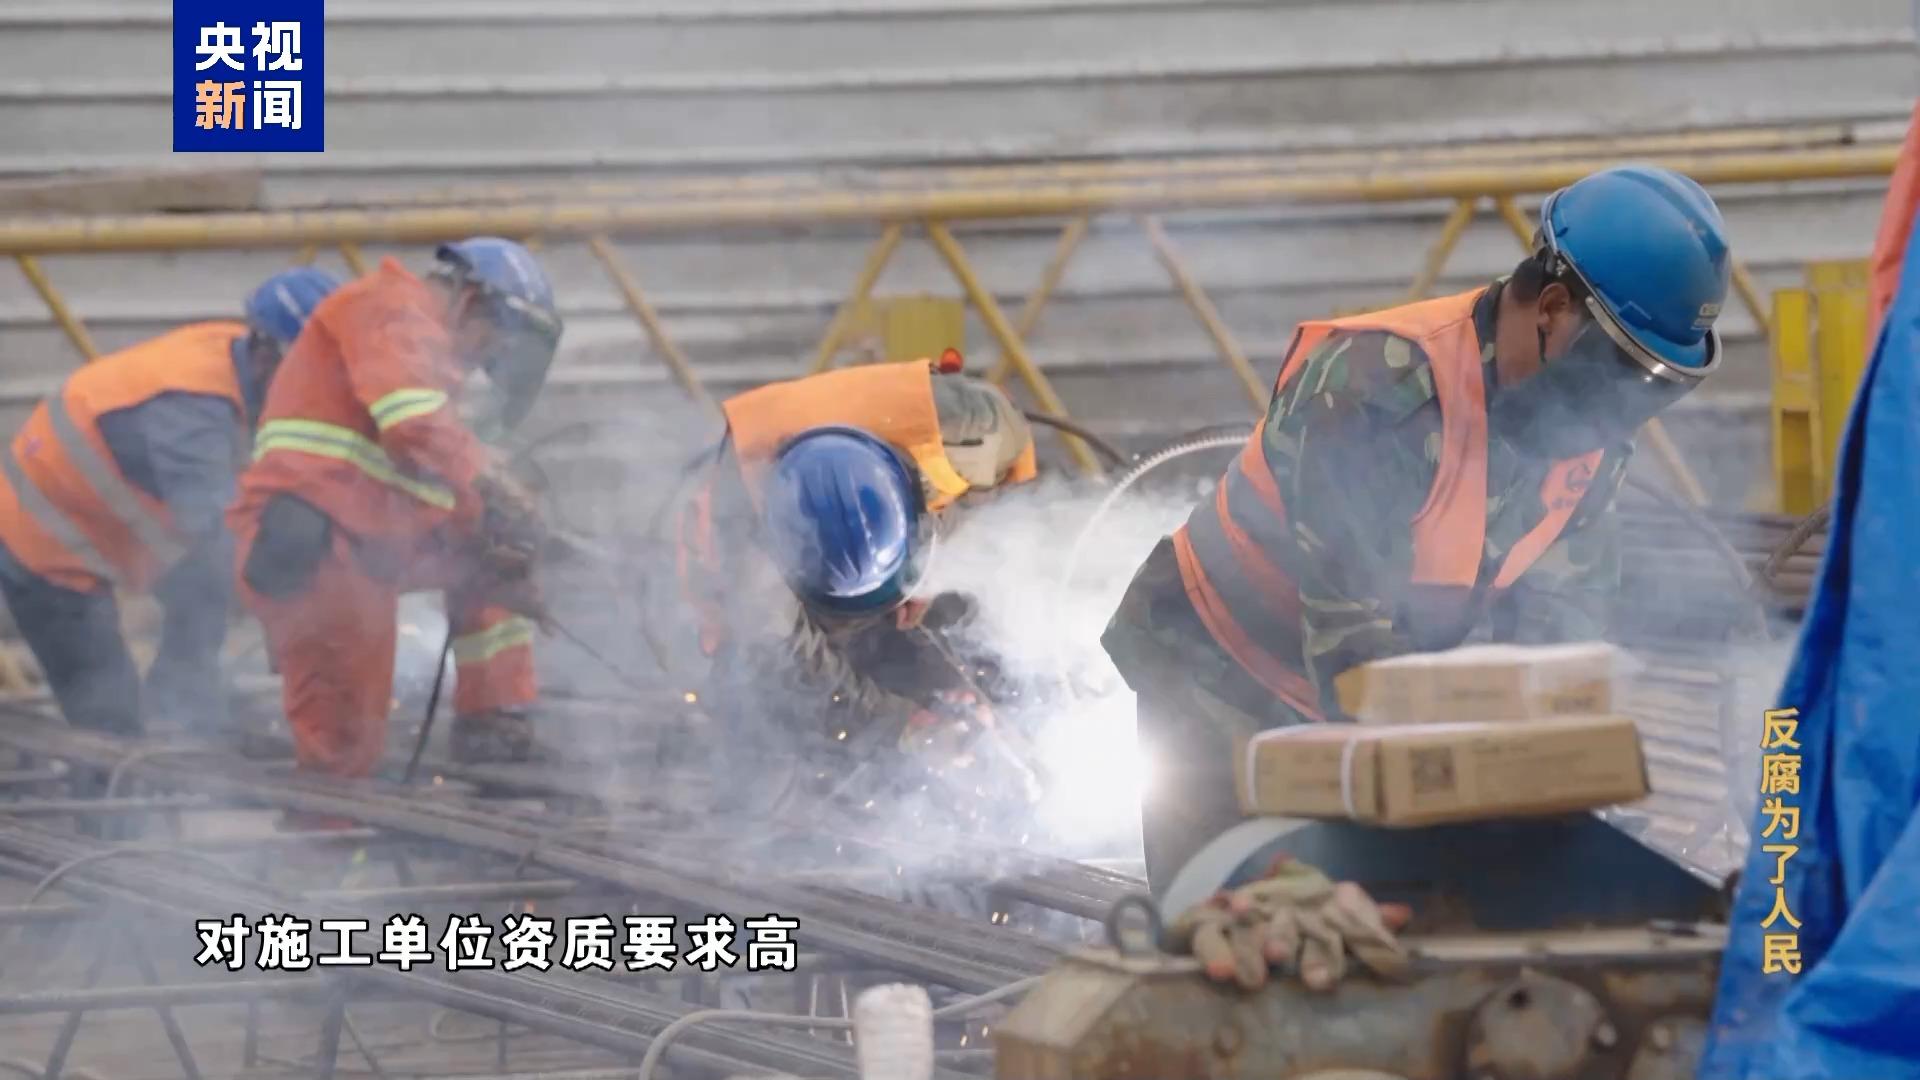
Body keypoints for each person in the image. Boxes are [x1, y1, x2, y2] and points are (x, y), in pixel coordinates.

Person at [1102, 164, 1733, 966]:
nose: (1627, 406)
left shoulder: (1588, 442)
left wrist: (1555, 800)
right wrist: (1461, 806)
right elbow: (1352, 652)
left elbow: (1561, 639)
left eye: (1660, 382)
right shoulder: (1377, 385)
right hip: (1219, 671)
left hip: (1369, 687)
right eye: (1625, 369)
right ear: (1552, 310)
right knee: (1232, 950)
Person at [228, 238, 561, 781]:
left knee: (488, 561)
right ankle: (326, 831)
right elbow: (414, 427)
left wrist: (493, 543)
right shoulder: (389, 306)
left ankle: (492, 722)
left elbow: (424, 478)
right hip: (320, 549)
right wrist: (493, 484)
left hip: (362, 542)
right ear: (471, 300)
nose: (484, 359)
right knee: (343, 744)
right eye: (491, 341)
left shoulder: (418, 348)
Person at [674, 355, 1039, 813]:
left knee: (978, 623)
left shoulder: (968, 426)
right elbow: (809, 677)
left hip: (908, 534)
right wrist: (909, 730)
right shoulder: (753, 586)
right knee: (767, 710)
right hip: (774, 611)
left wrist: (931, 562)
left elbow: (1003, 482)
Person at [0, 268, 342, 738]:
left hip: (106, 524)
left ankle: (182, 709)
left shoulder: (238, 356)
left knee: (204, 594)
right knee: (107, 714)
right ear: (270, 356)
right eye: (312, 376)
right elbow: (217, 535)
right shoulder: (190, 411)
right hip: (42, 547)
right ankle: (119, 774)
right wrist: (295, 610)